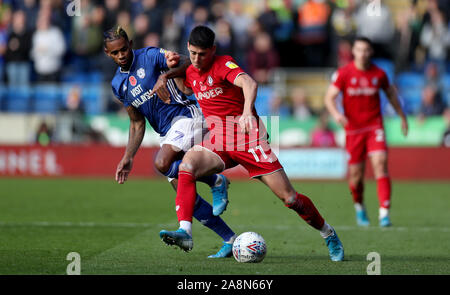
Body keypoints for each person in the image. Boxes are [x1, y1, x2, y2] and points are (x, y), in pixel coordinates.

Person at [159, 25, 344, 262]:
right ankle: (185, 230)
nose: (196, 59)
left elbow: (249, 83)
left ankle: (328, 233)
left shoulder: (223, 64)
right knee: (187, 167)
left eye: (202, 54)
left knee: (290, 199)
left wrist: (247, 112)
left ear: (213, 50)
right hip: (219, 140)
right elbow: (176, 69)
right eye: (193, 53)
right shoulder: (190, 68)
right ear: (188, 48)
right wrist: (165, 74)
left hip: (248, 140)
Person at [103, 25, 236, 258]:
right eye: (115, 53)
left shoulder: (151, 56)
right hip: (167, 133)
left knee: (162, 163)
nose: (121, 55)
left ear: (130, 44)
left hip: (185, 116)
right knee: (186, 195)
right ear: (108, 54)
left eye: (124, 49)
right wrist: (128, 156)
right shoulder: (118, 85)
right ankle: (229, 238)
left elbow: (189, 63)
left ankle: (214, 182)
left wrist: (165, 75)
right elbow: (136, 122)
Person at [324, 37, 409, 227]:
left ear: (370, 52)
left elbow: (391, 94)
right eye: (359, 49)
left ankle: (384, 213)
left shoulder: (379, 74)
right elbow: (329, 98)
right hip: (353, 131)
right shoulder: (343, 73)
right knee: (356, 176)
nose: (362, 53)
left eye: (366, 50)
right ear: (353, 52)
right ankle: (359, 207)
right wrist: (337, 114)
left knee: (380, 163)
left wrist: (402, 116)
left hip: (374, 126)